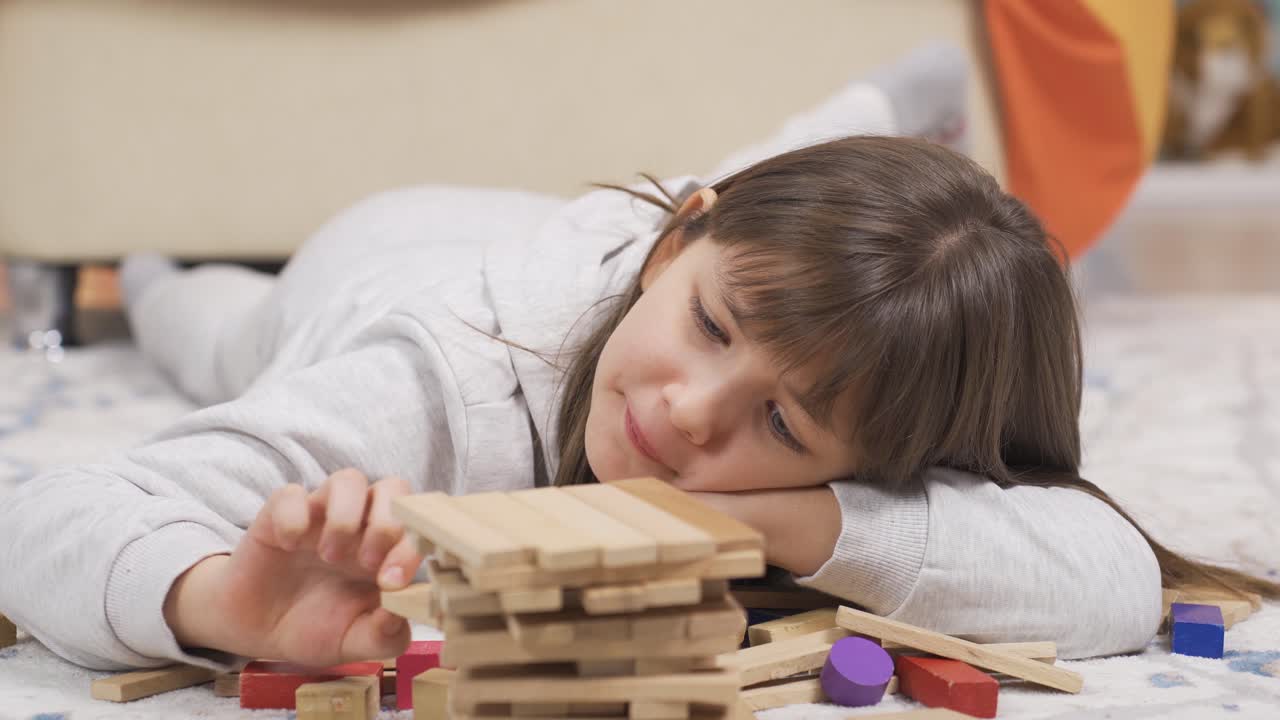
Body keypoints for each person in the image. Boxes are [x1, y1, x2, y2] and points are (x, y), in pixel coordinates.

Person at [0, 136, 1273, 673]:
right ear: (676, 249)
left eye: (782, 427)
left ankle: (867, 124)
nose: (689, 415)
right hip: (375, 259)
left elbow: (1109, 577)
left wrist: (777, 524)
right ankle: (152, 271)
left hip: (604, 236)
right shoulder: (435, 388)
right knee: (210, 328)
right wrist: (212, 601)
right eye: (709, 328)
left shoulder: (792, 363)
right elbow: (47, 513)